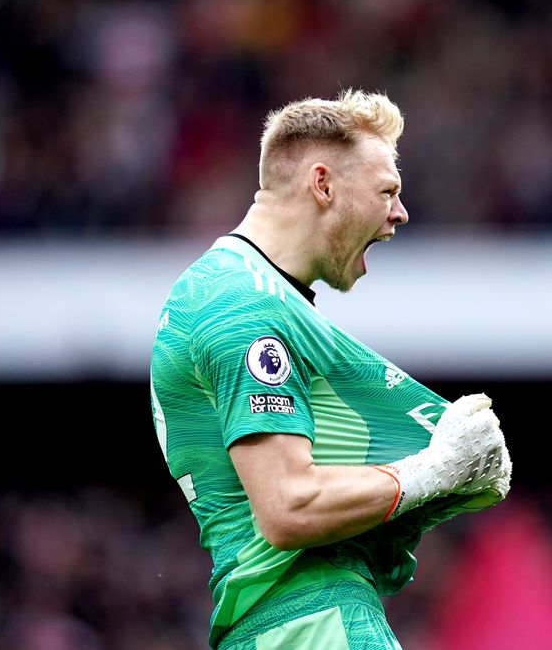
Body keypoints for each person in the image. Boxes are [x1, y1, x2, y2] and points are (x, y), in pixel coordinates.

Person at [150, 89, 511, 650]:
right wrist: (432, 470)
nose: (400, 213)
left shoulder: (239, 290)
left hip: (277, 625)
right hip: (312, 625)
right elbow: (288, 506)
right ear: (323, 185)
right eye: (387, 191)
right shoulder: (244, 304)